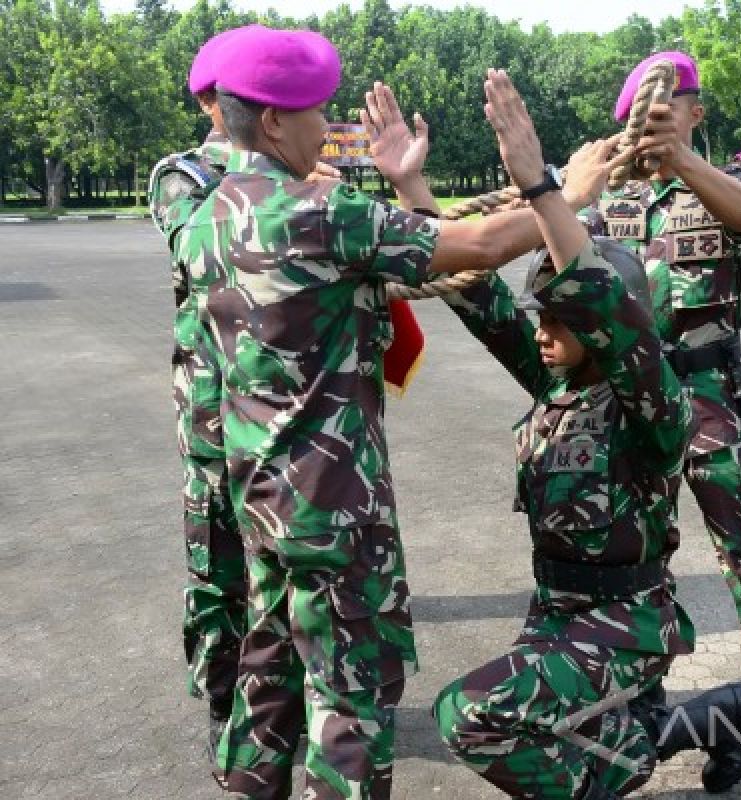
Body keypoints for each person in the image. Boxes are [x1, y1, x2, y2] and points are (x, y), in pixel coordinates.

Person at [174, 26, 620, 797]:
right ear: (274, 121)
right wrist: (564, 192)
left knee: (268, 679)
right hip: (336, 512)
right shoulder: (314, 211)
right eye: (315, 112)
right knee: (351, 697)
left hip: (259, 502)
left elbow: (412, 257)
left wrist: (414, 186)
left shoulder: (209, 218)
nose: (329, 130)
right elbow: (475, 247)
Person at [433, 97, 741, 793]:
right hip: (557, 610)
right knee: (560, 734)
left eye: (559, 320)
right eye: (539, 318)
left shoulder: (653, 403)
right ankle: (707, 721)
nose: (541, 333)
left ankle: (630, 756)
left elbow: (608, 312)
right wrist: (411, 189)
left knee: (472, 717)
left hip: (626, 620)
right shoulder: (555, 382)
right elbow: (470, 288)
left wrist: (550, 193)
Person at [581, 51, 741, 791]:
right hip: (632, 407)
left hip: (713, 394)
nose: (651, 122)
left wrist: (680, 161)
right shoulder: (608, 198)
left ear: (694, 112)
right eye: (641, 114)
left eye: (668, 108)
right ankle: (644, 704)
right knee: (632, 560)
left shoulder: (720, 186)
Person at [147, 25, 252, 758]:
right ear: (214, 104)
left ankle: (290, 691)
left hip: (292, 407)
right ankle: (224, 697)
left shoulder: (299, 176)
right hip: (216, 412)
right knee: (218, 563)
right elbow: (203, 246)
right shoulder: (182, 175)